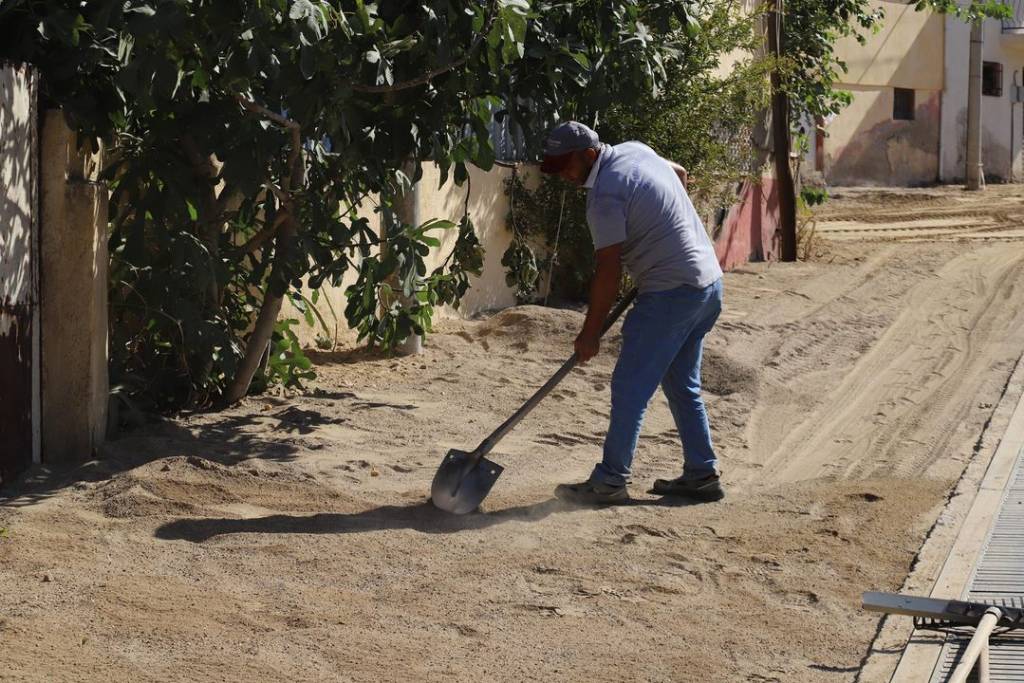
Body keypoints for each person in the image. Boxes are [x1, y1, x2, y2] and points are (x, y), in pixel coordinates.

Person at [539, 121, 724, 505]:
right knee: (681, 384)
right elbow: (679, 173)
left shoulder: (605, 195)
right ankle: (702, 474)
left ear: (588, 155)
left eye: (566, 166)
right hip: (707, 283)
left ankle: (610, 480)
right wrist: (662, 232)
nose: (563, 176)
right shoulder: (634, 149)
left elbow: (608, 271)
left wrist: (591, 334)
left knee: (630, 388)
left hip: (670, 294)